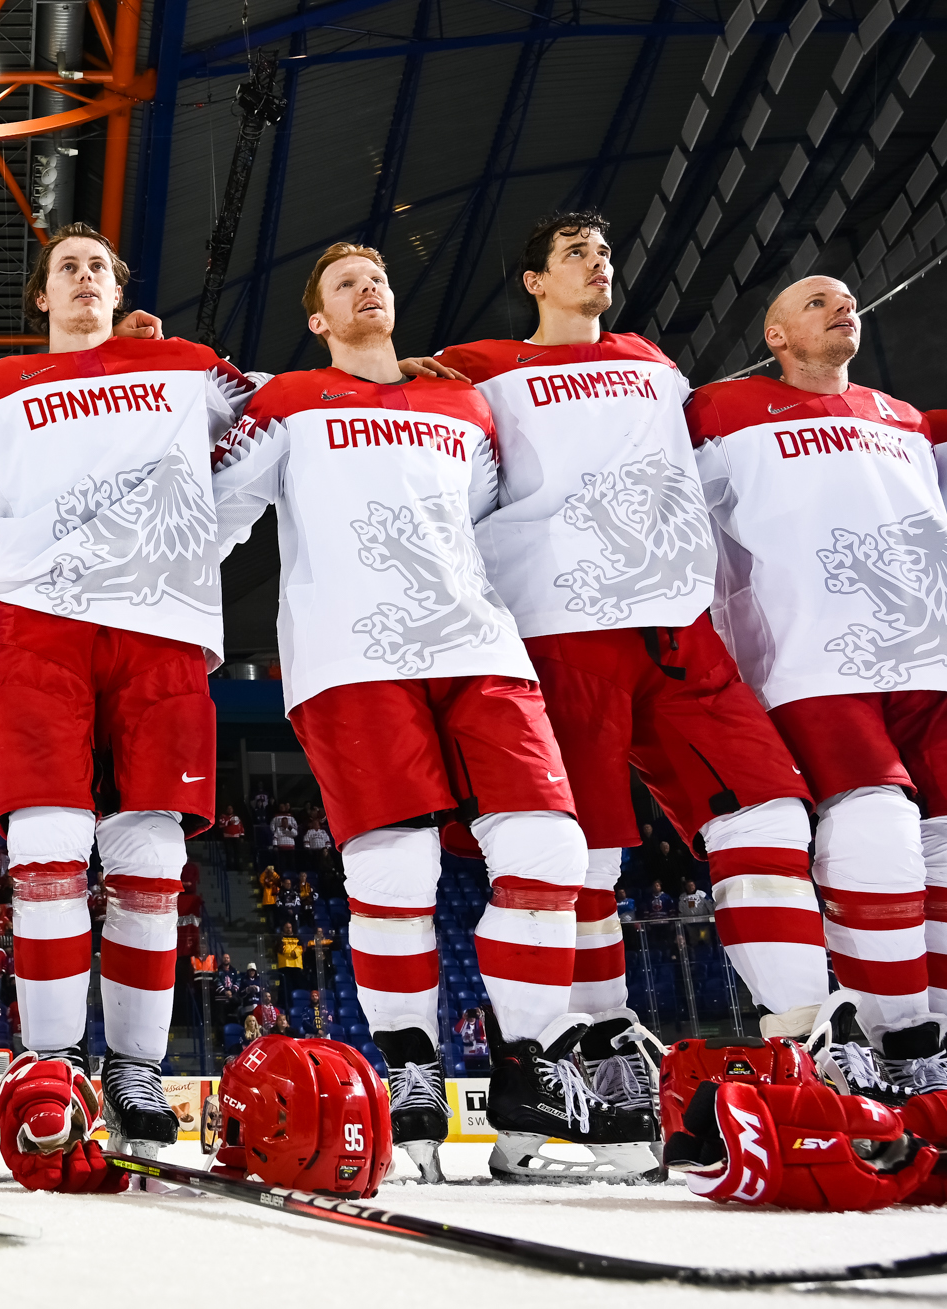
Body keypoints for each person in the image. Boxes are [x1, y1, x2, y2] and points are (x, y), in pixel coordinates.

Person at [212, 241, 650, 1185]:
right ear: (318, 320)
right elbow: (211, 509)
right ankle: (411, 1072)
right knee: (397, 866)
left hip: (481, 645)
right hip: (349, 657)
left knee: (549, 849)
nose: (368, 287)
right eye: (342, 284)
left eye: (376, 276)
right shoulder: (287, 400)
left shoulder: (463, 402)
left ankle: (528, 1070)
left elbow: (501, 517)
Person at [433, 211, 823, 1127]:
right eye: (574, 252)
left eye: (604, 252)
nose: (597, 264)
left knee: (768, 814)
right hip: (561, 626)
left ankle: (807, 1042)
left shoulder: (656, 360)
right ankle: (595, 1056)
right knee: (585, 859)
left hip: (683, 626)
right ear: (534, 280)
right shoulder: (477, 365)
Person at [0, 222, 250, 1170]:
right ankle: (48, 1061)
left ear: (120, 291)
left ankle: (133, 1068)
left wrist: (397, 386)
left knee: (151, 854)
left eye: (100, 267)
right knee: (46, 846)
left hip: (161, 628)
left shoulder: (187, 369)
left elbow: (280, 435)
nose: (84, 278)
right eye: (67, 269)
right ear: (40, 299)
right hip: (35, 624)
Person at [688, 274, 947, 1095]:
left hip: (930, 659)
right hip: (812, 662)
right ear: (775, 336)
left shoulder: (905, 419)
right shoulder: (713, 413)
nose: (844, 308)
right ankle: (897, 1042)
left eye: (847, 300)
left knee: (938, 850)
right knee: (874, 827)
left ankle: (930, 1051)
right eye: (817, 302)